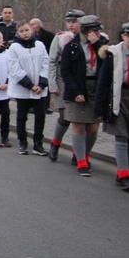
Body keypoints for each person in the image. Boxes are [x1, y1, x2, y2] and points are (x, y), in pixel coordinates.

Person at [61, 14, 109, 176]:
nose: (97, 33)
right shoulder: (71, 46)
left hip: (96, 87)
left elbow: (107, 64)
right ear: (86, 30)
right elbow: (65, 71)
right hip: (78, 87)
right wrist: (75, 92)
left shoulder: (102, 45)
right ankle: (81, 161)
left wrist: (97, 45)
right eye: (94, 30)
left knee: (93, 128)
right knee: (79, 126)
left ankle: (84, 153)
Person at [95, 22, 129, 191]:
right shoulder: (113, 53)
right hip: (120, 96)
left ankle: (125, 169)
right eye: (128, 35)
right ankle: (124, 174)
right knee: (121, 136)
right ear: (123, 36)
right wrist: (100, 108)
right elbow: (103, 83)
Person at [47, 9, 85, 162]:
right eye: (68, 21)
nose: (70, 25)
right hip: (62, 80)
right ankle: (55, 144)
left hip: (80, 80)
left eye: (74, 21)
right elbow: (52, 61)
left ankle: (79, 152)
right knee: (65, 116)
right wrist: (52, 84)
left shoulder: (88, 39)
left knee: (81, 119)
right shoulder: (60, 39)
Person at [7, 20, 50, 156]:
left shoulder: (40, 45)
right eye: (22, 31)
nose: (25, 33)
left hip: (39, 88)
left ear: (31, 30)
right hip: (24, 88)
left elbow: (46, 64)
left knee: (40, 116)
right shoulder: (14, 48)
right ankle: (23, 142)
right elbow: (15, 69)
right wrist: (30, 85)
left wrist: (42, 84)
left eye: (27, 30)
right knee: (22, 116)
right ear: (18, 33)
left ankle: (38, 143)